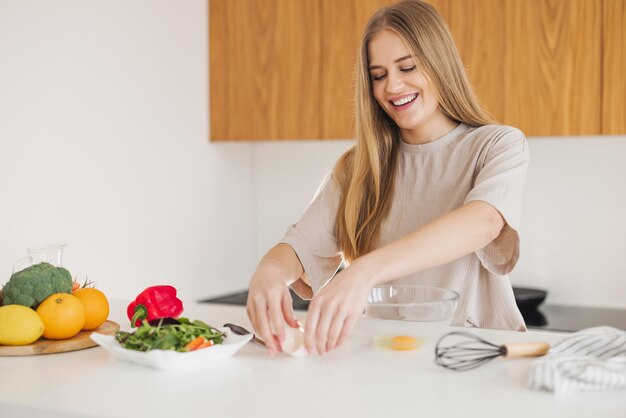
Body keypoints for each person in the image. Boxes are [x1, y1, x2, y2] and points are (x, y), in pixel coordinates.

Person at [246, 0, 529, 356]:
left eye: (407, 67)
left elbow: (483, 222)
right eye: (378, 76)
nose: (393, 86)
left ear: (440, 63)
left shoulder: (496, 145)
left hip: (477, 357)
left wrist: (362, 273)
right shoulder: (358, 169)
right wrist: (268, 273)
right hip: (390, 361)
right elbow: (299, 247)